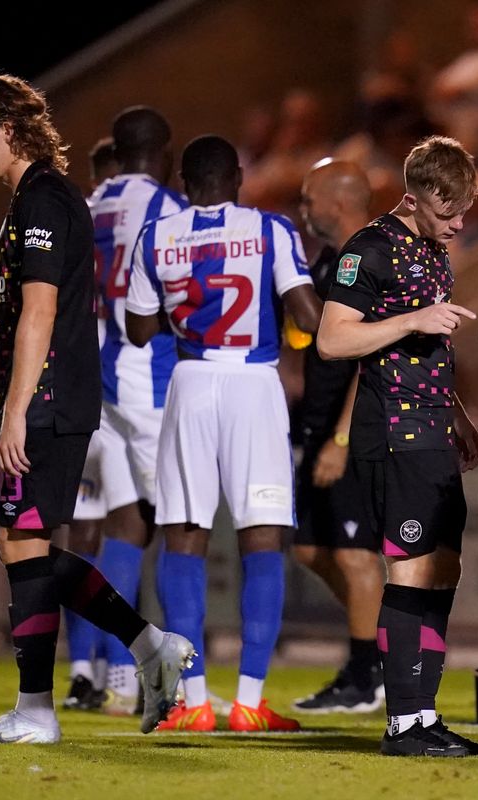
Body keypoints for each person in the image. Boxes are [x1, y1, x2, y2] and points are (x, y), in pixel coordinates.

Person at [0, 71, 192, 745]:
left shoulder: (45, 200)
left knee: (25, 543)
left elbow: (41, 308)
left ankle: (41, 709)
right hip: (50, 395)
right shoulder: (31, 198)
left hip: (51, 398)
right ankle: (145, 650)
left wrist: (16, 409)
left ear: (8, 129)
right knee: (20, 544)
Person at [126, 135, 319, 733]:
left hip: (189, 382)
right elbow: (309, 317)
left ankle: (195, 702)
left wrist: (185, 307)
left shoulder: (157, 236)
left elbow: (137, 330)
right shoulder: (270, 230)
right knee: (262, 538)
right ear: (238, 176)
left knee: (183, 535)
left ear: (184, 183)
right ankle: (250, 701)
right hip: (253, 383)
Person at [316, 135, 478, 758]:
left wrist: (461, 417)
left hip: (433, 431)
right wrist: (411, 321)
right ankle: (403, 723)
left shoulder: (432, 250)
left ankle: (425, 715)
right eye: (450, 212)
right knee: (411, 569)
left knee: (443, 570)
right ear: (415, 198)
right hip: (392, 433)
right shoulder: (369, 249)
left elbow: (431, 354)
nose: (460, 223)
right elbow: (332, 341)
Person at [81, 106, 189, 717]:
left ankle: (121, 676)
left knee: (127, 527)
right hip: (149, 380)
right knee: (182, 525)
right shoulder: (170, 209)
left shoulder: (90, 203)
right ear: (165, 151)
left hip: (98, 382)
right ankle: (178, 686)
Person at [289, 159, 388, 715]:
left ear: (339, 199)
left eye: (309, 197)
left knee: (354, 554)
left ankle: (366, 670)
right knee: (310, 547)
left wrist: (343, 437)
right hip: (319, 425)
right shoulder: (332, 260)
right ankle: (372, 649)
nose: (303, 208)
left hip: (354, 431)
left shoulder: (372, 255)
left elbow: (371, 356)